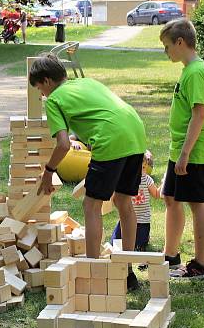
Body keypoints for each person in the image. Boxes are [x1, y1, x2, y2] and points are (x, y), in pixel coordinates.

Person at [31, 53, 147, 291]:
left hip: (111, 141)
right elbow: (96, 114)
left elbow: (63, 145)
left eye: (39, 89)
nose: (41, 95)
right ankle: (127, 272)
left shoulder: (54, 100)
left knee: (91, 205)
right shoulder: (86, 82)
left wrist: (48, 171)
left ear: (46, 81)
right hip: (135, 133)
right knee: (124, 201)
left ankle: (93, 273)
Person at [159, 18, 204, 279]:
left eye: (167, 46)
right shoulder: (188, 69)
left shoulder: (195, 72)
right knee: (170, 199)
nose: (166, 51)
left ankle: (202, 265)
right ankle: (169, 256)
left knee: (197, 203)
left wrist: (185, 154)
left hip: (193, 152)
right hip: (179, 149)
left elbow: (199, 115)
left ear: (180, 42)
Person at [110, 150, 160, 251]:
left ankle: (145, 237)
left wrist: (163, 186)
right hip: (125, 219)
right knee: (114, 242)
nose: (142, 172)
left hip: (143, 220)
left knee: (139, 246)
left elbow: (156, 194)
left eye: (144, 168)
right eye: (139, 169)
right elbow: (116, 198)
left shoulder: (147, 179)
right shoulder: (126, 181)